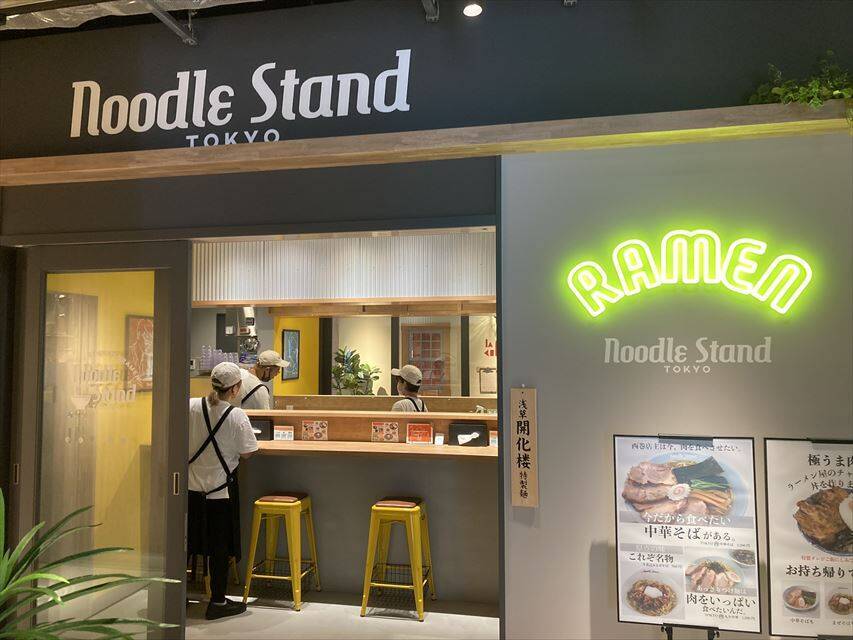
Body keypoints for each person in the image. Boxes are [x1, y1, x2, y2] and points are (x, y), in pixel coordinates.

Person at [188, 362, 258, 620]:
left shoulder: (191, 406)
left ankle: (180, 595)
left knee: (188, 543)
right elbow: (248, 452)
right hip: (219, 491)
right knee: (219, 547)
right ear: (235, 389)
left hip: (189, 489)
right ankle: (217, 601)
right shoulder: (236, 416)